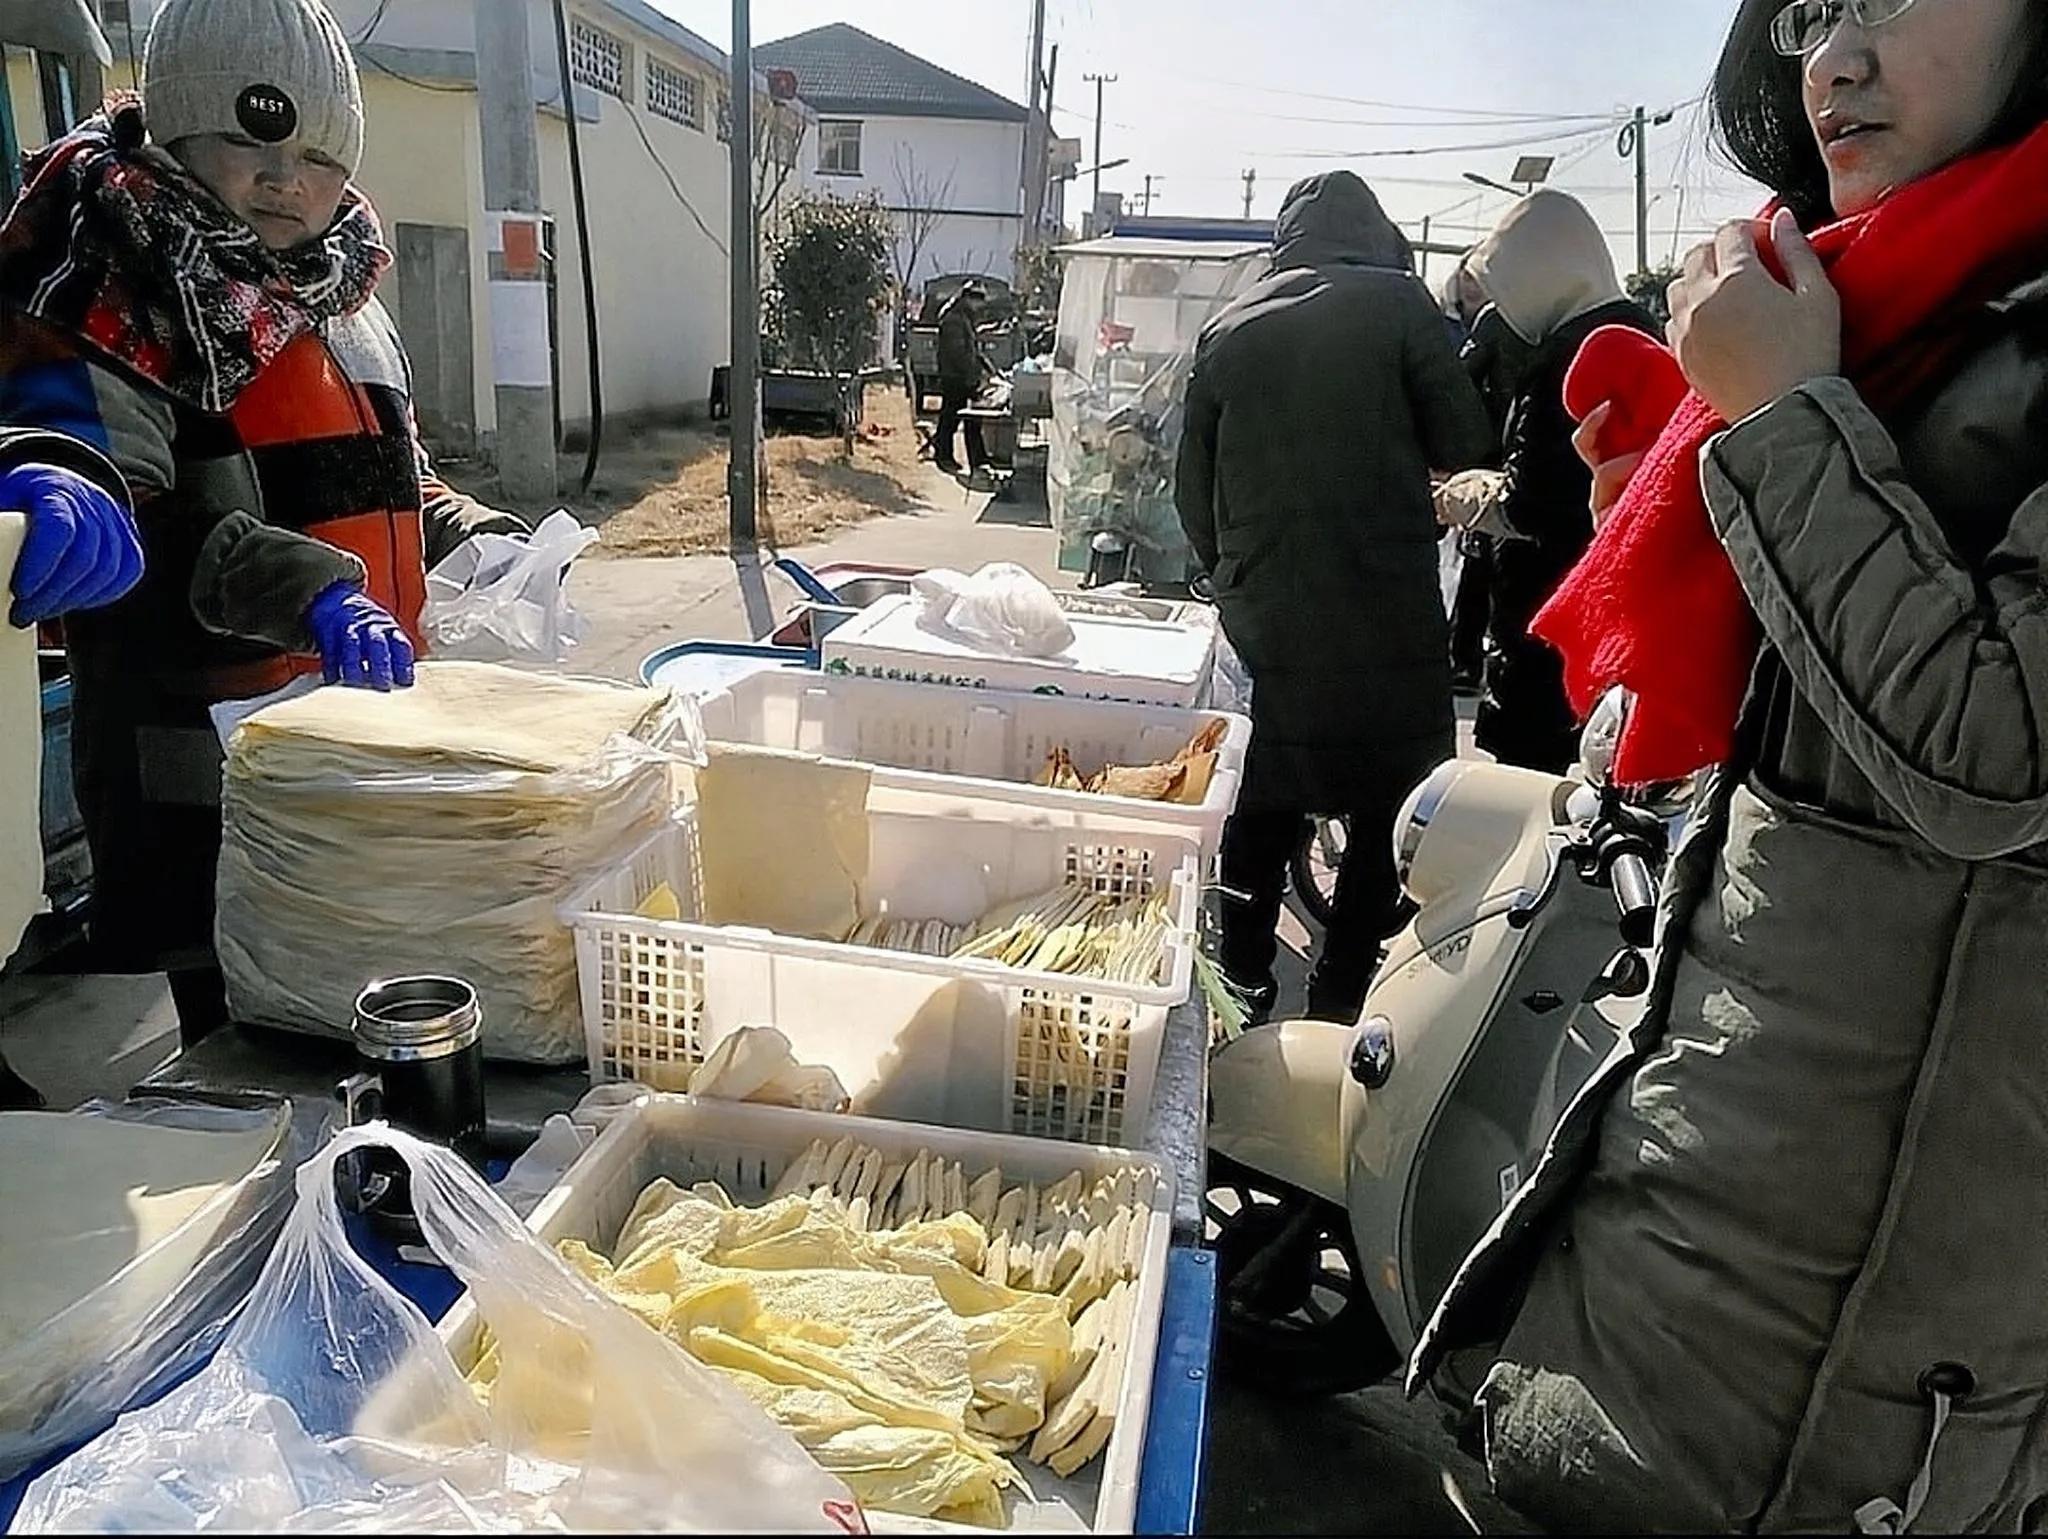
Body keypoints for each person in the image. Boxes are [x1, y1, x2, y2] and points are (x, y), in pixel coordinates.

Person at [1410, 0, 2048, 1529]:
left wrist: (1777, 425)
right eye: (1816, 9)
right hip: (1677, 1265)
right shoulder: (1903, 300)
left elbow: (1996, 759)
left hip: (1838, 1405)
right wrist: (1694, 527)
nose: (1834, 57)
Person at [0, 0, 525, 1050]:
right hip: (199, 775)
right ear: (174, 133)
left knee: (366, 1006)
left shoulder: (342, 293)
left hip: (356, 753)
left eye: (324, 155)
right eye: (251, 140)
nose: (290, 180)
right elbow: (131, 525)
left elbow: (392, 478)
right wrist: (312, 591)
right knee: (244, 1046)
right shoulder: (110, 285)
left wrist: (476, 535)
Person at [1176, 171, 1493, 1024]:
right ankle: (1341, 995)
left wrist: (1233, 575)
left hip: (1265, 624)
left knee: (1258, 809)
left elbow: (1188, 493)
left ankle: (1239, 998)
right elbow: (1467, 441)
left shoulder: (1227, 327)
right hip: (1386, 615)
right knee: (1390, 812)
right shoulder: (1400, 306)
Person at [1460, 190, 1659, 772]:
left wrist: (1464, 497)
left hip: (1552, 625)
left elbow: (1531, 504)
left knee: (1533, 803)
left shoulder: (1567, 361)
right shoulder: (1638, 334)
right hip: (1617, 623)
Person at [932, 282, 991, 485]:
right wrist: (972, 374)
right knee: (953, 418)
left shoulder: (963, 317)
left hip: (961, 375)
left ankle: (977, 459)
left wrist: (987, 367)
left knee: (958, 417)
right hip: (956, 376)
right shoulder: (955, 320)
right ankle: (946, 456)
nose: (980, 306)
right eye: (978, 300)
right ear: (968, 298)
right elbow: (959, 353)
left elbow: (972, 349)